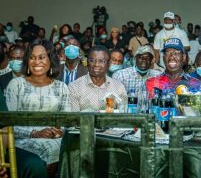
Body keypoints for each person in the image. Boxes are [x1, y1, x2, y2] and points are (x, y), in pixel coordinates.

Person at [4, 40, 71, 176]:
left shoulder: (61, 87)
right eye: (32, 57)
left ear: (50, 60)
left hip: (54, 140)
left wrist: (59, 131)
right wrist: (35, 133)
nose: (36, 62)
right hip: (22, 142)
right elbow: (8, 124)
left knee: (73, 152)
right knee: (47, 155)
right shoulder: (16, 84)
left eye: (41, 57)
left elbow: (67, 119)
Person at [68, 45, 127, 112]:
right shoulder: (75, 87)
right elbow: (73, 118)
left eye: (101, 61)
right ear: (87, 62)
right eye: (92, 60)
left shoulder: (119, 87)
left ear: (109, 64)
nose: (96, 64)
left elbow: (124, 115)